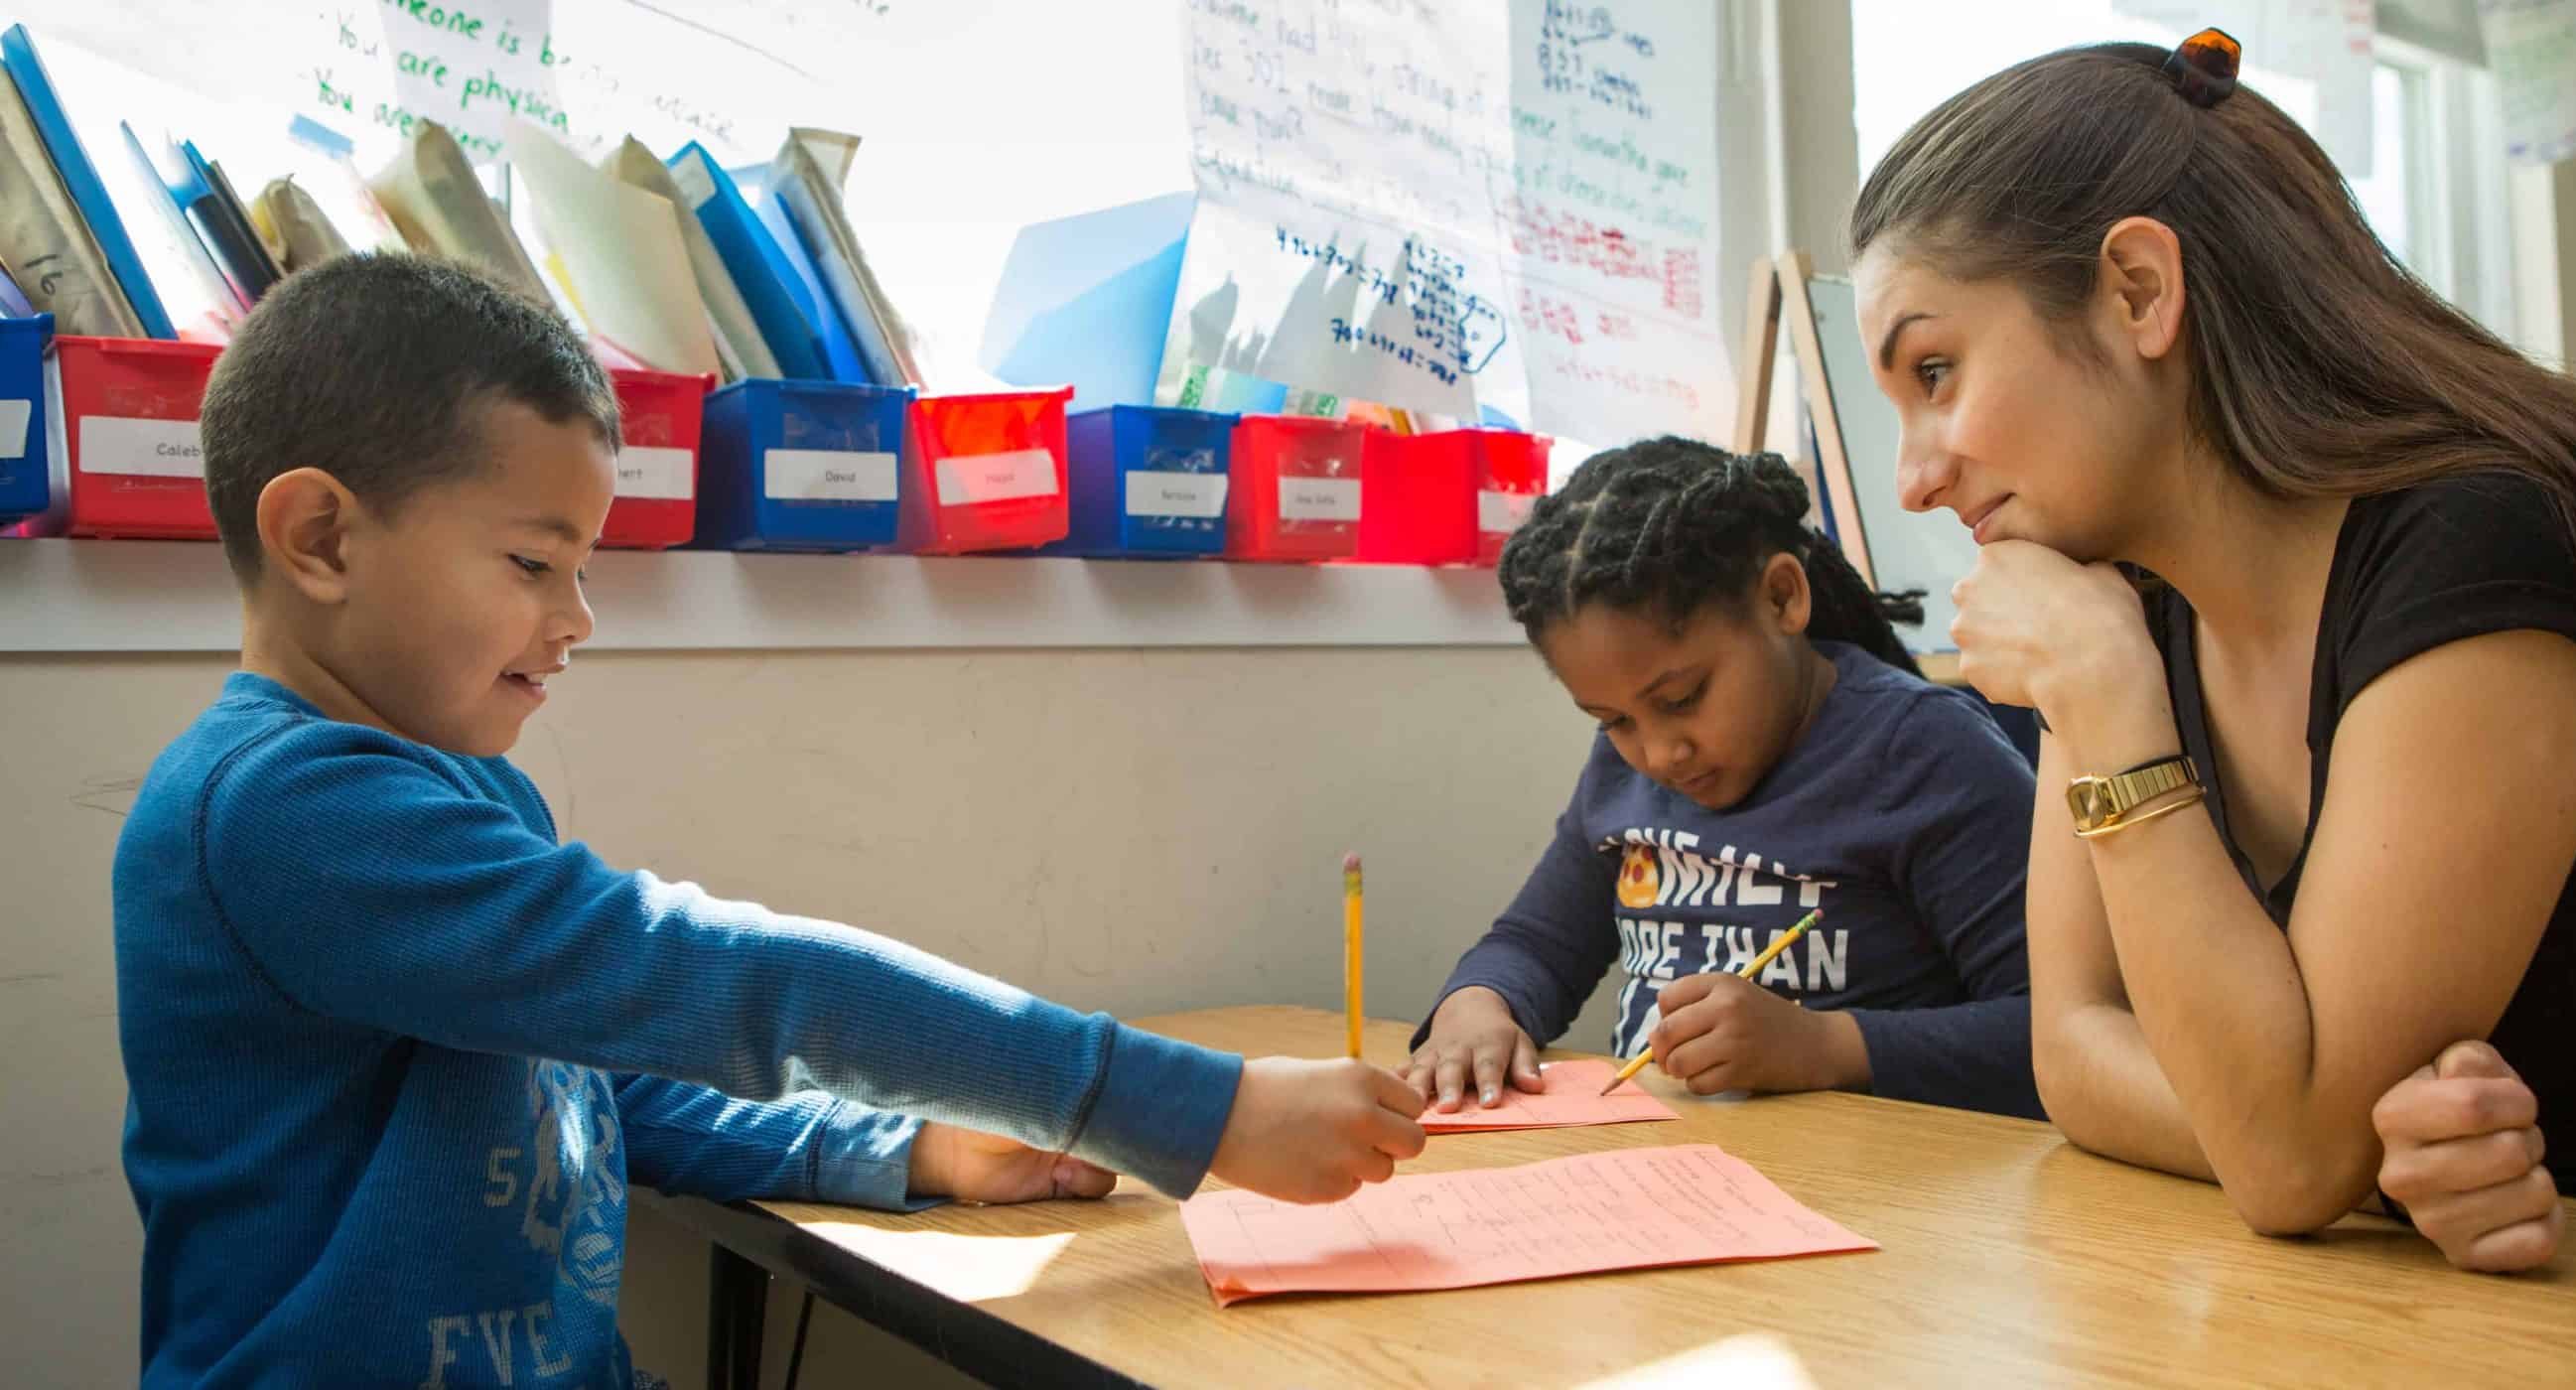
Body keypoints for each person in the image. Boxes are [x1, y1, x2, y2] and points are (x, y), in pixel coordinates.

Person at [114, 253, 1425, 1386]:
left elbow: (593, 1093)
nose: (577, 621)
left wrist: (903, 1147)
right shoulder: (283, 810)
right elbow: (741, 982)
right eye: (532, 564)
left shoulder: (449, 786)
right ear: (321, 540)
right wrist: (1188, 1109)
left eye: (582, 571)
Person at [1845, 29, 2576, 1271]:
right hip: (2467, 1294)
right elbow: (2077, 1051)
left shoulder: (2486, 541)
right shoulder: (2122, 596)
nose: (1914, 476)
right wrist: (2354, 1161)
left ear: (2139, 292)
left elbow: (2285, 1159)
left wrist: (2110, 705)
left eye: (1936, 370)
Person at [1407, 438, 2041, 1119]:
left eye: (1681, 699)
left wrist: (1829, 1046)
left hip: (1884, 1188)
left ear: (1781, 598)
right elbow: (1535, 944)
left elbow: (2061, 1032)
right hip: (1679, 1180)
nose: (1658, 754)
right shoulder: (1622, 774)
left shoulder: (1922, 753)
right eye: (1613, 718)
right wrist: (1478, 1004)